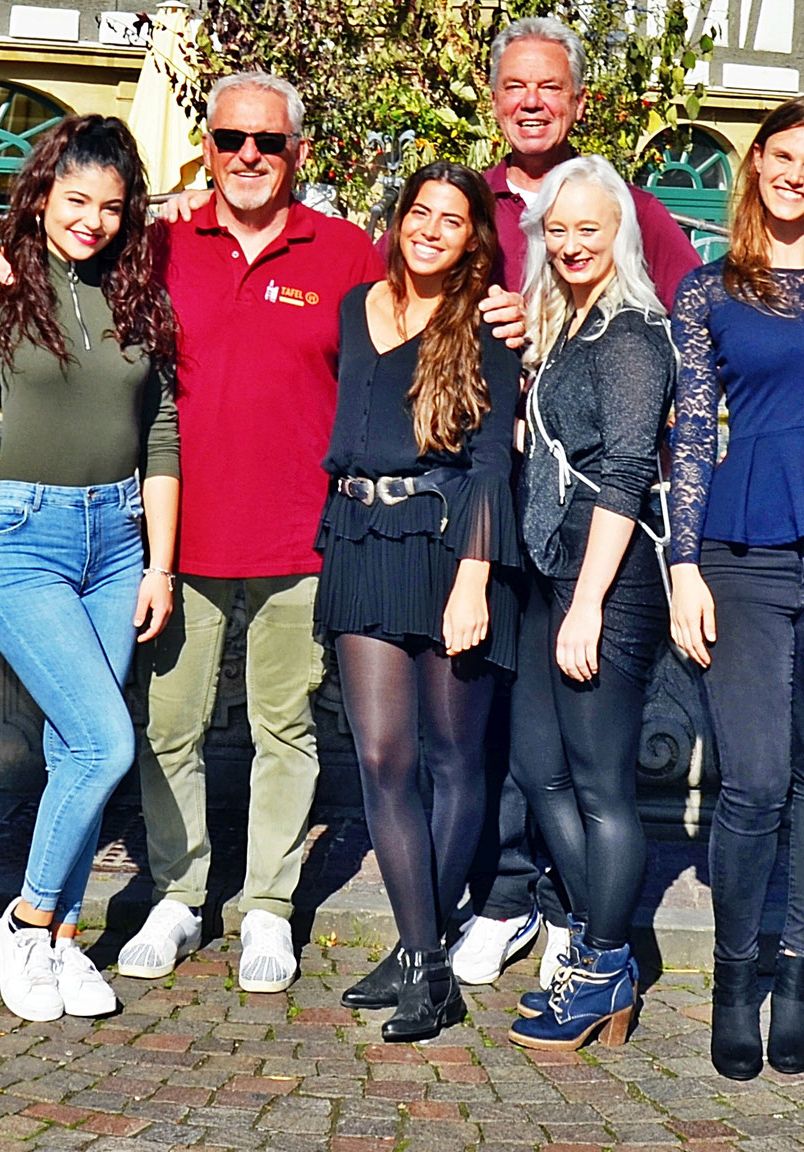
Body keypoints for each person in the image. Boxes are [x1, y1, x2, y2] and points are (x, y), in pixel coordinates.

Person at [0, 73, 385, 994]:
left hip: (298, 540)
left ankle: (269, 906)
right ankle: (178, 894)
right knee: (162, 731)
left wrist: (508, 318)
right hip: (170, 539)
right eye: (231, 138)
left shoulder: (348, 253)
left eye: (268, 143)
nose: (247, 157)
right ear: (206, 147)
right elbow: (58, 285)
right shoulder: (150, 245)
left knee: (286, 730)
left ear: (297, 154)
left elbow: (418, 333)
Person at [454, 15, 704, 989]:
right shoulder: (466, 203)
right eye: (513, 85)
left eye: (547, 87)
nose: (529, 101)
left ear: (576, 101)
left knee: (576, 743)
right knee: (510, 731)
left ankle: (567, 911)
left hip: (592, 533)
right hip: (493, 509)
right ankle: (509, 893)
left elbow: (688, 344)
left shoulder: (630, 209)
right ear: (493, 95)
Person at [663, 95, 804, 1080]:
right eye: (782, 156)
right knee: (751, 783)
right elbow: (685, 436)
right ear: (755, 164)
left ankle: (800, 973)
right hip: (740, 558)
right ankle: (733, 976)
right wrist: (678, 564)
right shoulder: (706, 289)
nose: (795, 174)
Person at [0, 115, 181, 1024]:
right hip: (24, 536)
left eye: (110, 207)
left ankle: (57, 938)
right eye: (76, 201)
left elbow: (162, 438)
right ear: (44, 195)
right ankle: (26, 920)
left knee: (73, 750)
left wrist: (159, 568)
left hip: (120, 539)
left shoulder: (140, 300)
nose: (90, 220)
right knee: (103, 743)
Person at [320, 162, 520, 1042]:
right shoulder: (352, 308)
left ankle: (418, 953)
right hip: (362, 542)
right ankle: (425, 958)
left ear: (475, 237)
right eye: (420, 212)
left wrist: (475, 579)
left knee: (452, 761)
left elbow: (489, 464)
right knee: (382, 757)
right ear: (398, 220)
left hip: (451, 547)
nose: (433, 228)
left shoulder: (487, 325)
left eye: (454, 218)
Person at [498, 156, 672, 1052]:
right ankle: (602, 946)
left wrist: (589, 603)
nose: (570, 244)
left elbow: (627, 473)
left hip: (607, 582)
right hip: (548, 572)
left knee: (603, 788)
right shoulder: (567, 324)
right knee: (541, 768)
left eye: (588, 230)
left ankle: (603, 962)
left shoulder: (636, 335)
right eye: (556, 229)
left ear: (620, 236)